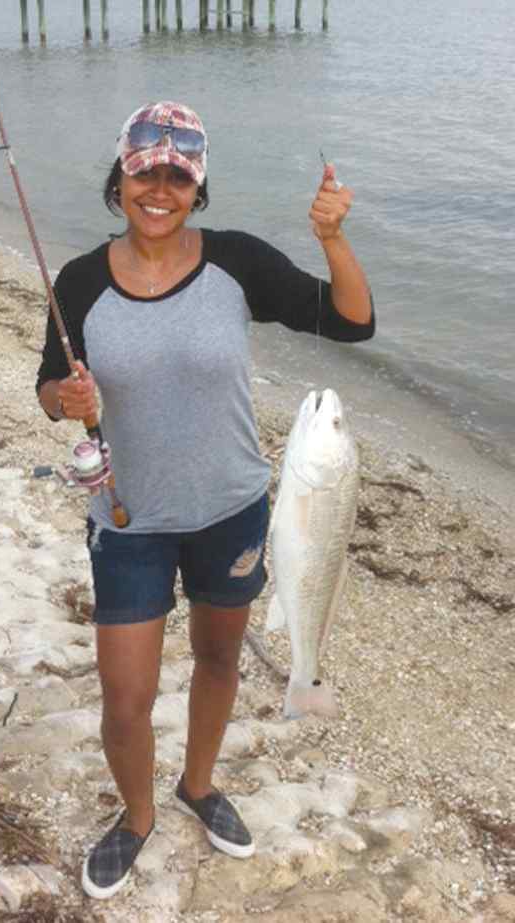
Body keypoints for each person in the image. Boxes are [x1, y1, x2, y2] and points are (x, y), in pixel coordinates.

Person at [36, 100, 374, 900]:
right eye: (144, 172)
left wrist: (331, 237)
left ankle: (197, 782)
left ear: (199, 186)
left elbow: (352, 322)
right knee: (127, 693)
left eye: (178, 176)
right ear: (120, 179)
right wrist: (67, 394)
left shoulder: (236, 264)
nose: (160, 189)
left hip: (233, 510)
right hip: (129, 518)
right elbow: (46, 388)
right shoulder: (80, 280)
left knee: (220, 658)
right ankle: (137, 814)